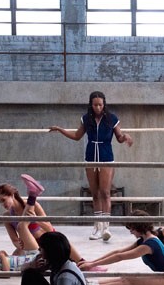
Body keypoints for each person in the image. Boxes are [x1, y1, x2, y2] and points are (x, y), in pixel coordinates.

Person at [49, 91, 133, 241]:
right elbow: (77, 136)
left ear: (104, 104)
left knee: (105, 192)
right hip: (90, 157)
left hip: (106, 158)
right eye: (95, 105)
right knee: (94, 193)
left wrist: (125, 137)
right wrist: (60, 130)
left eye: (100, 104)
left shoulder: (112, 118)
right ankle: (97, 227)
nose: (98, 107)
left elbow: (119, 137)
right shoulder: (86, 119)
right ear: (91, 105)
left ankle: (106, 227)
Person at [0, 175, 106, 271]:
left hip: (46, 240)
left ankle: (86, 264)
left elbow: (49, 227)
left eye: (3, 200)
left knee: (61, 241)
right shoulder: (7, 217)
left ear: (12, 195)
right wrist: (20, 245)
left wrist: (36, 220)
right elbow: (14, 240)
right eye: (0, 202)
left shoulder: (34, 207)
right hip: (31, 246)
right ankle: (33, 194)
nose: (3, 204)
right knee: (20, 231)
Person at [78, 210, 164, 285]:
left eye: (132, 229)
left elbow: (120, 256)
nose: (131, 232)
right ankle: (88, 284)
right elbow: (118, 252)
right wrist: (91, 262)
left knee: (128, 281)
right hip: (163, 277)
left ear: (139, 228)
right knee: (125, 278)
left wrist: (92, 265)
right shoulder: (144, 240)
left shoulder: (149, 245)